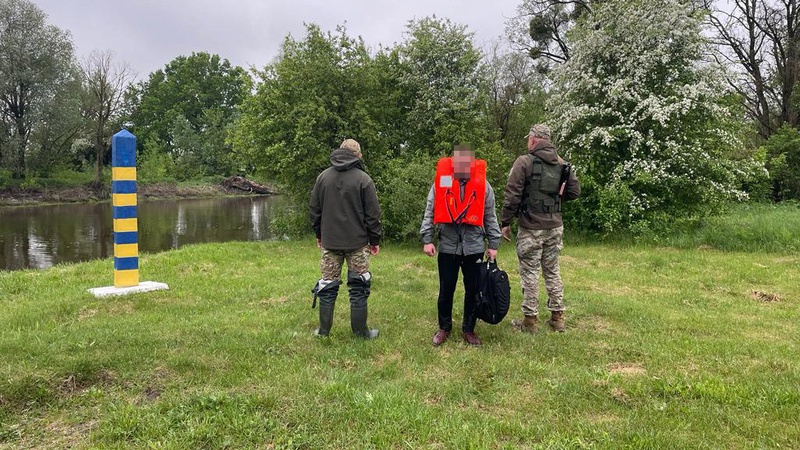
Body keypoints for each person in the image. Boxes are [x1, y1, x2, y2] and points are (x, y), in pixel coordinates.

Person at [501, 124, 580, 333]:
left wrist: (505, 222)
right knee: (552, 271)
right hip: (555, 227)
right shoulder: (563, 164)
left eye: (529, 139)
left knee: (530, 273)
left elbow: (512, 195)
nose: (528, 142)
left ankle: (530, 322)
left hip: (531, 228)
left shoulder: (524, 162)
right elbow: (574, 192)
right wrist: (554, 198)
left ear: (534, 140)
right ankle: (557, 318)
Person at [420, 145, 502, 347]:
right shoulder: (442, 182)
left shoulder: (484, 186)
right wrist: (427, 239)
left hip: (473, 247)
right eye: (459, 163)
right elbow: (430, 210)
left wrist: (493, 244)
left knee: (473, 291)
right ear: (454, 163)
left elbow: (490, 216)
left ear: (472, 164)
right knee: (445, 290)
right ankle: (444, 327)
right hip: (447, 246)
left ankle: (469, 329)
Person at [310, 138, 382, 339]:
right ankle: (360, 332)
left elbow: (315, 210)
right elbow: (373, 215)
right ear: (357, 156)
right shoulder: (363, 179)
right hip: (358, 244)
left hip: (330, 243)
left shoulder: (323, 177)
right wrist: (374, 241)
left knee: (328, 285)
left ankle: (323, 331)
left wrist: (319, 234)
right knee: (358, 286)